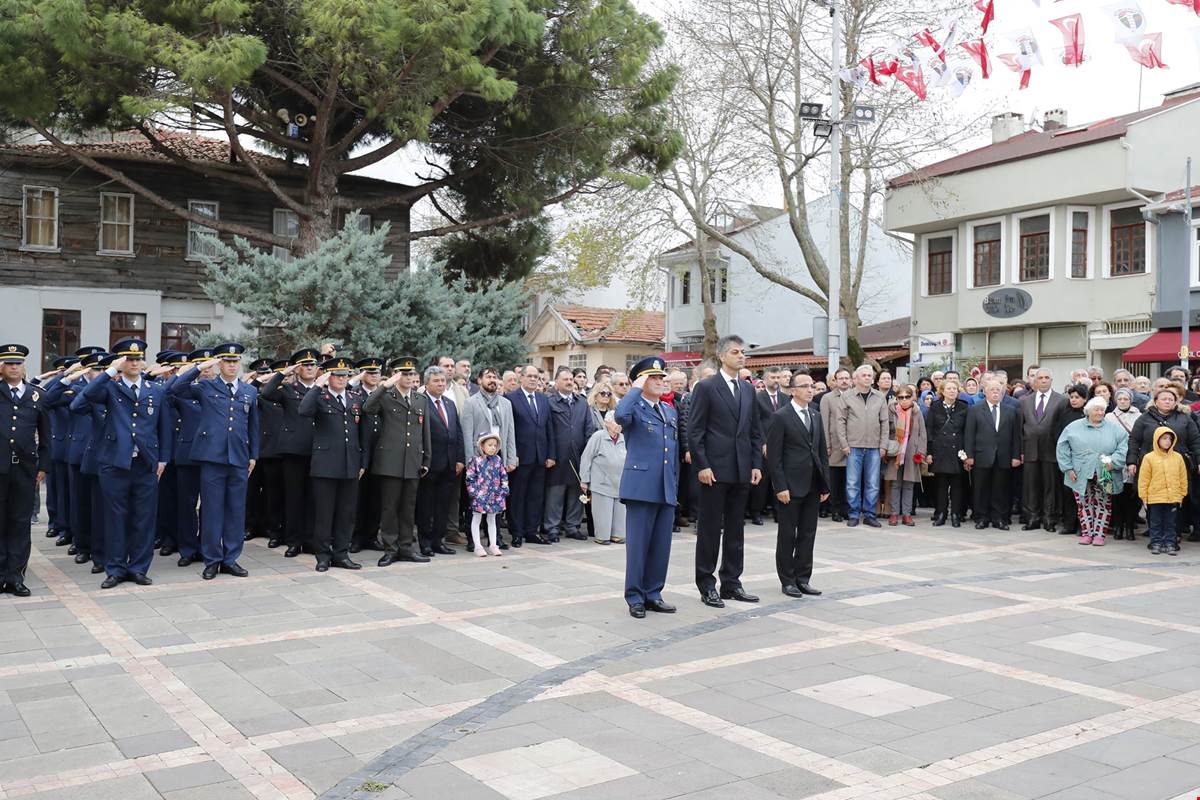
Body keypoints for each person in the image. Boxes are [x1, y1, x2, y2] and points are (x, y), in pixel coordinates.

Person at [80, 340, 172, 588]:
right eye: (128, 359)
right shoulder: (110, 388)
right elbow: (80, 402)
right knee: (115, 517)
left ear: (143, 361)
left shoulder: (155, 390)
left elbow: (164, 427)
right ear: (121, 362)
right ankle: (116, 568)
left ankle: (139, 568)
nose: (133, 363)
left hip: (145, 463)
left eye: (137, 358)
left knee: (143, 518)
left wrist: (162, 459)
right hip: (115, 463)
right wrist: (110, 371)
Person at [169, 344, 258, 579]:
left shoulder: (249, 391)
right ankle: (212, 559)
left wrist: (253, 455)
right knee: (212, 510)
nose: (231, 365)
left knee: (236, 511)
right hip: (212, 457)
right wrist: (198, 367)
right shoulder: (207, 386)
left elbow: (253, 425)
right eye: (227, 361)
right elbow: (176, 388)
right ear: (219, 364)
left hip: (238, 457)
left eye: (235, 361)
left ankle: (231, 558)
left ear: (239, 364)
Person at [689, 335, 763, 607]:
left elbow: (755, 431)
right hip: (714, 470)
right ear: (722, 356)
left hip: (741, 468)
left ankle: (732, 582)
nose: (741, 356)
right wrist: (703, 465)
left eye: (743, 352)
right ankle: (706, 584)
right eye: (735, 352)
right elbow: (695, 430)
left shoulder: (747, 389)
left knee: (736, 529)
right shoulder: (707, 387)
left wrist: (756, 463)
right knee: (710, 530)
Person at [615, 357, 678, 618]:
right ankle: (635, 596)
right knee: (639, 545)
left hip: (665, 486)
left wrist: (674, 485)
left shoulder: (669, 411)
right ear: (641, 380)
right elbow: (620, 416)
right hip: (640, 486)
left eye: (662, 378)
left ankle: (653, 593)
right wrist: (635, 389)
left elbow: (673, 453)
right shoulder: (634, 407)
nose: (660, 382)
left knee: (661, 546)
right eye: (654, 377)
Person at [766, 370, 829, 598]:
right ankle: (787, 580)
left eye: (811, 386)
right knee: (787, 534)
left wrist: (825, 485)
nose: (810, 389)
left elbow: (821, 453)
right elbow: (774, 457)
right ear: (793, 390)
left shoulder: (815, 415)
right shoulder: (780, 416)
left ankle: (803, 578)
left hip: (812, 483)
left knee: (808, 533)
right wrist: (780, 486)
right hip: (790, 486)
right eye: (804, 386)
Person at [365, 356, 432, 566]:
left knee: (408, 507)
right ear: (396, 375)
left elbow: (425, 432)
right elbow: (368, 407)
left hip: (413, 462)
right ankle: (390, 549)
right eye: (405, 373)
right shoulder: (386, 396)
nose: (410, 377)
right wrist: (384, 386)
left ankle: (406, 548)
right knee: (389, 508)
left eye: (412, 373)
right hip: (390, 462)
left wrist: (426, 459)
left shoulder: (421, 399)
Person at [0, 345, 50, 597]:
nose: (13, 367)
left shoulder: (37, 396)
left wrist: (43, 466)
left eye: (17, 363)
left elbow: (46, 437)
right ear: (1, 367)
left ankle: (15, 576)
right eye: (8, 363)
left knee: (20, 524)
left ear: (23, 366)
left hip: (25, 470)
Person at [259, 349, 318, 558]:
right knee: (293, 498)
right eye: (305, 364)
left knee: (314, 498)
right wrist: (283, 373)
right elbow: (266, 393)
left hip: (317, 450)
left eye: (313, 364)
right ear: (298, 368)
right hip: (293, 451)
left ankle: (310, 540)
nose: (309, 367)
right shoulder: (288, 389)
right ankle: (294, 541)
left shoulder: (322, 389)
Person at [1127, 384, 1200, 539]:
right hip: (1151, 465)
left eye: (1171, 399)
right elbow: (1134, 440)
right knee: (1153, 499)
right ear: (1155, 401)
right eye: (1164, 399)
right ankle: (1156, 535)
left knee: (1177, 499)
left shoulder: (1184, 418)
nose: (1167, 402)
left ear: (1176, 402)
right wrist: (1132, 461)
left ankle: (1174, 534)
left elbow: (1195, 441)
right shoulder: (1144, 418)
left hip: (1177, 464)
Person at [1056, 397, 1127, 546]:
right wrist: (1067, 468)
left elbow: (1123, 447)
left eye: (1102, 409)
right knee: (1083, 503)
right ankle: (1087, 533)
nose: (1100, 412)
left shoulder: (1114, 429)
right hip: (1080, 471)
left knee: (1104, 503)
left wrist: (1113, 462)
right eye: (1096, 409)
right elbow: (1062, 448)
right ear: (1088, 411)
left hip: (1106, 471)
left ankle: (1100, 534)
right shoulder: (1073, 427)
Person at [460, 367, 517, 547]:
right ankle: (473, 539)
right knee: (476, 499)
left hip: (497, 457)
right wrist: (471, 461)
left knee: (496, 497)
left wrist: (511, 458)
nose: (492, 380)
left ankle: (495, 538)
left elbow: (510, 433)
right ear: (479, 381)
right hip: (479, 458)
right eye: (488, 377)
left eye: (495, 377)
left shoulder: (505, 403)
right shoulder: (471, 403)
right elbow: (467, 434)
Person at [417, 365, 464, 557]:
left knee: (443, 506)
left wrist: (460, 458)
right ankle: (425, 543)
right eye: (436, 381)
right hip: (429, 464)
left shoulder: (449, 403)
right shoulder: (421, 402)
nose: (440, 384)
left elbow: (457, 432)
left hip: (450, 463)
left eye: (443, 381)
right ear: (426, 383)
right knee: (426, 506)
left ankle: (439, 541)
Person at [963, 377, 1021, 531]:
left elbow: (1016, 436)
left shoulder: (1011, 411)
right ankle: (982, 517)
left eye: (998, 390)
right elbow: (969, 434)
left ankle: (999, 518)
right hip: (981, 455)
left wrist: (1016, 456)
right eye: (992, 390)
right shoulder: (975, 409)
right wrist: (969, 456)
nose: (996, 393)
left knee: (1001, 489)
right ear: (985, 392)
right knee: (981, 488)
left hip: (1004, 456)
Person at [544, 366, 593, 543]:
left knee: (576, 494)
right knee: (555, 495)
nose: (569, 382)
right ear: (556, 382)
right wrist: (549, 454)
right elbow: (546, 430)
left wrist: (588, 454)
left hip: (578, 456)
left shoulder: (582, 402)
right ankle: (552, 527)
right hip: (557, 457)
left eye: (571, 379)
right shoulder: (549, 402)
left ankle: (573, 526)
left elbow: (589, 428)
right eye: (565, 379)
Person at [505, 365, 552, 547]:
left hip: (541, 457)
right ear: (521, 378)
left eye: (536, 377)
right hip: (520, 457)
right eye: (530, 376)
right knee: (517, 496)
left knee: (536, 496)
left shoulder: (543, 399)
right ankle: (517, 532)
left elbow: (549, 428)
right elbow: (509, 430)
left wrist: (551, 454)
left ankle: (532, 531)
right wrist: (511, 455)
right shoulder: (511, 399)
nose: (534, 379)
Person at [838, 365, 889, 528]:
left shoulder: (880, 397)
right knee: (852, 482)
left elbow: (885, 423)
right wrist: (844, 444)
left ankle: (869, 514)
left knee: (873, 483)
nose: (868, 378)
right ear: (856, 379)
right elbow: (840, 422)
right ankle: (853, 514)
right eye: (864, 375)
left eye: (870, 375)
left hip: (874, 447)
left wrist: (883, 445)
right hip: (853, 446)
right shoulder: (847, 396)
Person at [1019, 368, 1066, 532]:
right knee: (1030, 486)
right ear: (1035, 381)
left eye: (1047, 377)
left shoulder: (1061, 400)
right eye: (1040, 378)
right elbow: (1020, 427)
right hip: (1030, 449)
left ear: (1051, 380)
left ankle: (1049, 518)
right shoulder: (1024, 401)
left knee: (1050, 486)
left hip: (1051, 450)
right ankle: (1032, 518)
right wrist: (1020, 451)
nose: (1044, 380)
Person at [1138, 427, 1188, 555]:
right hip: (1155, 497)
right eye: (1164, 438)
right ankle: (1156, 542)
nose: (1167, 442)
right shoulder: (1149, 458)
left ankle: (1170, 542)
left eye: (1170, 439)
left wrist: (1182, 494)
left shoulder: (1177, 457)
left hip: (1173, 497)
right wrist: (1144, 496)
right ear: (1157, 440)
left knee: (1171, 522)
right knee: (1155, 522)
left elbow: (1183, 477)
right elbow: (1144, 479)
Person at [927, 378, 969, 527]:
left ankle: (956, 514)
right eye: (949, 388)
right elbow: (930, 431)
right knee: (941, 485)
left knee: (958, 485)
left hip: (957, 450)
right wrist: (929, 452)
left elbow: (967, 432)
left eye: (955, 389)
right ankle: (941, 513)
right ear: (942, 391)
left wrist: (967, 454)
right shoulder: (935, 407)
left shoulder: (964, 407)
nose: (952, 391)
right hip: (940, 451)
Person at [580, 411, 626, 545]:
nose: (619, 425)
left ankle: (618, 534)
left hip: (620, 482)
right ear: (607, 423)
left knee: (620, 511)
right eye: (616, 421)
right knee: (603, 512)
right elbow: (586, 457)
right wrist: (584, 479)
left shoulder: (623, 437)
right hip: (601, 482)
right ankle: (602, 536)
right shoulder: (598, 436)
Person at [884, 385, 926, 526]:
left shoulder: (917, 412)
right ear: (897, 398)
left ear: (912, 397)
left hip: (911, 452)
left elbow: (922, 433)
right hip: (895, 452)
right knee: (895, 484)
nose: (904, 400)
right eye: (900, 397)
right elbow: (885, 430)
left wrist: (921, 451)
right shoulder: (891, 410)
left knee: (909, 484)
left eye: (907, 397)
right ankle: (894, 513)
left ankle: (907, 514)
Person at [752, 367, 787, 526]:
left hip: (783, 445)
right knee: (762, 481)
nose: (776, 380)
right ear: (765, 380)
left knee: (779, 478)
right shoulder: (758, 398)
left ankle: (778, 511)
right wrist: (763, 443)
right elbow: (756, 423)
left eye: (778, 377)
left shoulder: (785, 398)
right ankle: (756, 512)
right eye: (773, 377)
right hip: (764, 445)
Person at [1107, 388, 1142, 541]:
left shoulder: (1139, 415)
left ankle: (1129, 527)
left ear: (1130, 400)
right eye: (1120, 399)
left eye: (1125, 399)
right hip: (1116, 457)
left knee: (1131, 495)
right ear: (1115, 400)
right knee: (1116, 495)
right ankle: (1118, 526)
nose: (1122, 401)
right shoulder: (1109, 416)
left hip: (1133, 457)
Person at [466, 432, 508, 557]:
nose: (493, 448)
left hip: (494, 496)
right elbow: (470, 478)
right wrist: (474, 493)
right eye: (490, 445)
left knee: (492, 520)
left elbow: (503, 476)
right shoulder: (475, 461)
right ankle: (477, 546)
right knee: (476, 519)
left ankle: (493, 545)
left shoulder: (498, 460)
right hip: (480, 496)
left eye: (495, 445)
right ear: (481, 446)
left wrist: (503, 489)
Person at [819, 369, 851, 521]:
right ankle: (835, 510)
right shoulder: (828, 398)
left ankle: (846, 509)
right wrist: (826, 444)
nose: (844, 381)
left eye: (847, 378)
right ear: (835, 380)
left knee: (849, 481)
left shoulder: (855, 396)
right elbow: (824, 422)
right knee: (834, 480)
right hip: (834, 444)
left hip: (852, 445)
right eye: (841, 378)